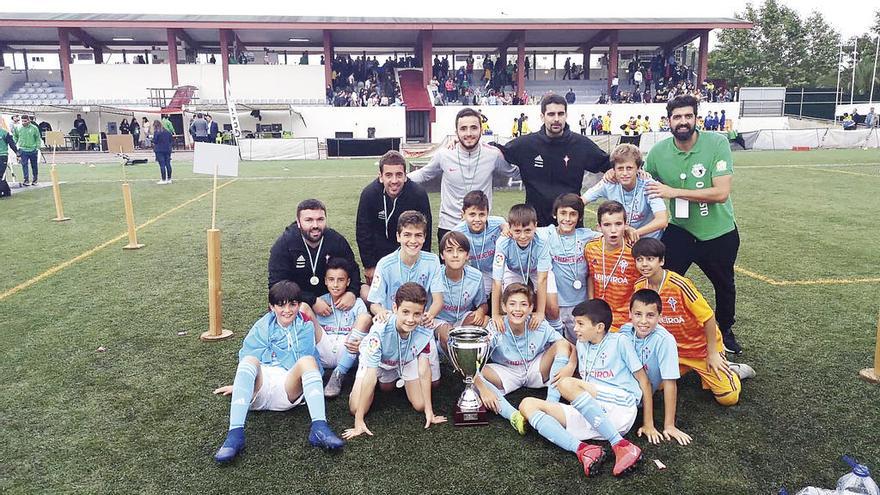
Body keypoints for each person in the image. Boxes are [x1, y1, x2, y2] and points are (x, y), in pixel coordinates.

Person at [644, 95, 744, 354]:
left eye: (688, 116)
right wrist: (616, 171)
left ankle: (725, 331)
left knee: (724, 284)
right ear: (669, 121)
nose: (683, 121)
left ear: (696, 118)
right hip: (681, 231)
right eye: (677, 117)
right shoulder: (658, 153)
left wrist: (674, 192)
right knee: (661, 279)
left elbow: (721, 192)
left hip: (718, 232)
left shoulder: (717, 143)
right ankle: (658, 329)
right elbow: (640, 177)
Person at [211, 280, 345, 463]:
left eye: (293, 304)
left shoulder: (305, 326)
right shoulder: (261, 326)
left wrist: (277, 352)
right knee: (249, 360)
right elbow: (249, 357)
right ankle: (234, 436)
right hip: (260, 387)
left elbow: (305, 361)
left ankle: (319, 428)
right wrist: (239, 385)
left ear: (299, 305)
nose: (287, 310)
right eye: (281, 305)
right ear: (271, 307)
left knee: (308, 361)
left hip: (287, 389)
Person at [515, 299, 648, 478]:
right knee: (527, 404)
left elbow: (643, 380)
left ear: (599, 327)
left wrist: (649, 423)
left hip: (622, 405)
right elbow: (572, 349)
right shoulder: (581, 343)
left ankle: (621, 445)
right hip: (595, 414)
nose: (575, 328)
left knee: (566, 383)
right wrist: (571, 363)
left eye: (580, 324)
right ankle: (584, 450)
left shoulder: (619, 341)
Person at [632, 238, 753, 405]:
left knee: (728, 398)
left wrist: (712, 353)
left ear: (662, 261)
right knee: (650, 386)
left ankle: (734, 371)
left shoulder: (679, 285)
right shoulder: (639, 286)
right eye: (639, 260)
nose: (644, 264)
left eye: (650, 259)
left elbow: (708, 317)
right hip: (673, 350)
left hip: (700, 349)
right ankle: (685, 368)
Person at [344, 283, 446, 439]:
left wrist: (429, 411)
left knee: (420, 405)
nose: (411, 319)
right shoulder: (380, 330)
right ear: (394, 308)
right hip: (378, 361)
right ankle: (366, 389)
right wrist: (359, 421)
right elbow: (371, 374)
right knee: (356, 407)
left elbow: (424, 370)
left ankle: (397, 382)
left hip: (406, 359)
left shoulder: (425, 327)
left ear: (424, 312)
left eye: (417, 314)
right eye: (405, 312)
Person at [492, 94, 611, 227]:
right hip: (536, 227)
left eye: (560, 114)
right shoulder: (526, 144)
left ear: (566, 115)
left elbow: (610, 163)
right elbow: (496, 151)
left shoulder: (581, 145)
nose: (556, 119)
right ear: (542, 116)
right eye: (551, 114)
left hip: (570, 224)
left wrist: (634, 169)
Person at [407, 108, 518, 245]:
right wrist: (399, 180)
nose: (469, 133)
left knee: (482, 267)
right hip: (449, 227)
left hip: (481, 227)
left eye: (473, 128)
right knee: (450, 267)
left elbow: (515, 172)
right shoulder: (445, 154)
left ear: (481, 130)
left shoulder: (493, 155)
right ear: (456, 132)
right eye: (463, 129)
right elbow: (424, 174)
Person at [474, 283, 575, 432]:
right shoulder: (495, 327)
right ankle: (514, 416)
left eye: (523, 304)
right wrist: (483, 390)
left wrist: (571, 365)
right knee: (476, 375)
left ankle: (551, 405)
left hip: (535, 368)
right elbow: (473, 362)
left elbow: (568, 346)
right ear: (503, 306)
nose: (517, 309)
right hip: (507, 372)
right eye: (512, 304)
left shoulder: (538, 324)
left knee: (561, 346)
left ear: (530, 307)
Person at [618, 289, 691, 445]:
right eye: (638, 314)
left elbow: (670, 382)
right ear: (630, 313)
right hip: (621, 388)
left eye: (650, 315)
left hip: (635, 398)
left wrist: (669, 425)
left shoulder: (665, 340)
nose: (643, 321)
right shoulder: (624, 331)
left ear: (660, 317)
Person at [268, 198, 366, 309]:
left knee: (366, 291)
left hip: (332, 292)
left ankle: (376, 322)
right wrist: (312, 300)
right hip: (300, 297)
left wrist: (352, 292)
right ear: (299, 222)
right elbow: (276, 285)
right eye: (309, 220)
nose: (315, 225)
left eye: (320, 219)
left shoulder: (336, 240)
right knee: (302, 307)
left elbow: (352, 269)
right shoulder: (284, 244)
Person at [356, 150, 433, 283]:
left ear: (405, 176)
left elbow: (426, 231)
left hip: (409, 252)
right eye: (388, 175)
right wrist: (369, 265)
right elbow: (363, 231)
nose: (394, 181)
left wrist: (422, 263)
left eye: (399, 175)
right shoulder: (369, 194)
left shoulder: (418, 195)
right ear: (380, 176)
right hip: (380, 256)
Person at [367, 210, 444, 331]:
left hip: (421, 321)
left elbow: (438, 300)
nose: (413, 241)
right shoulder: (385, 264)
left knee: (446, 332)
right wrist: (381, 312)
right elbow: (374, 303)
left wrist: (429, 315)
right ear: (398, 236)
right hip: (393, 321)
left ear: (424, 237)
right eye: (407, 235)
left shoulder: (432, 261)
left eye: (418, 235)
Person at [491, 203, 562, 334]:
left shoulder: (542, 241)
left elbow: (542, 279)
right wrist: (495, 314)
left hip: (537, 271)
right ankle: (513, 335)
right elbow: (496, 280)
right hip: (514, 270)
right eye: (517, 231)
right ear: (510, 228)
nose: (523, 236)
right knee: (507, 305)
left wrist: (540, 313)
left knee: (552, 308)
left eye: (528, 230)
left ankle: (558, 335)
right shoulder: (503, 242)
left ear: (535, 225)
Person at [541, 193, 601, 342]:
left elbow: (610, 233)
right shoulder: (545, 234)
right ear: (555, 214)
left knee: (582, 343)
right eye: (563, 213)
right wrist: (505, 227)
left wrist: (628, 230)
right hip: (557, 305)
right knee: (558, 346)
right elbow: (524, 228)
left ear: (579, 217)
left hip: (580, 303)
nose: (567, 219)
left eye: (573, 214)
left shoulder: (587, 236)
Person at [583, 144, 669, 239]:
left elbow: (662, 220)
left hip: (647, 240)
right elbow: (582, 201)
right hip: (621, 239)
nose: (624, 173)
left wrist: (634, 233)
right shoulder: (608, 182)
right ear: (613, 169)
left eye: (629, 168)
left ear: (638, 168)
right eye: (620, 168)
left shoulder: (649, 185)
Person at [317, 257, 373, 398]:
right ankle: (311, 372)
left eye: (340, 280)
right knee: (305, 311)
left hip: (349, 350)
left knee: (365, 317)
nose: (335, 285)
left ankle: (339, 373)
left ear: (348, 282)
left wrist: (362, 343)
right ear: (325, 281)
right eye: (331, 280)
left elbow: (366, 331)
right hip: (324, 350)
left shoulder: (357, 303)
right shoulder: (320, 302)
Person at [583, 201, 639, 331]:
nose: (613, 230)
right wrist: (592, 304)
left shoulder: (634, 253)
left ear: (626, 225)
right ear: (599, 227)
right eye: (607, 225)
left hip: (625, 321)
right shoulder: (591, 248)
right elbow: (590, 276)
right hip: (597, 317)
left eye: (618, 224)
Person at [433, 231, 489, 354]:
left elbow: (483, 304)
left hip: (462, 319)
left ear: (467, 255)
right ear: (442, 255)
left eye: (460, 250)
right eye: (449, 250)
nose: (455, 255)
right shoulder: (434, 275)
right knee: (447, 335)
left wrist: (480, 311)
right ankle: (455, 360)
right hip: (440, 321)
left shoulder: (476, 276)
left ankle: (466, 358)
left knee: (485, 321)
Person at [451, 190, 507, 297]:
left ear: (488, 214)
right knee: (473, 298)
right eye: (472, 214)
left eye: (482, 214)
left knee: (507, 298)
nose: (477, 219)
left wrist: (506, 227)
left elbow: (506, 226)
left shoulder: (498, 223)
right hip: (480, 272)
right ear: (463, 214)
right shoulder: (458, 233)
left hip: (501, 270)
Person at [15, 115, 41, 186]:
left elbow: (38, 138)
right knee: (24, 165)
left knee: (34, 166)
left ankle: (35, 180)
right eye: (22, 121)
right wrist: (14, 145)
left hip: (33, 150)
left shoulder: (34, 128)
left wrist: (37, 148)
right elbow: (15, 136)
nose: (24, 123)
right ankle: (26, 180)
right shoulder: (18, 128)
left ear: (29, 120)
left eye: (25, 121)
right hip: (23, 150)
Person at [151, 119, 173, 184]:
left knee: (162, 165)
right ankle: (169, 179)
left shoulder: (156, 132)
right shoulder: (167, 132)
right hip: (167, 149)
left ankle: (163, 179)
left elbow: (155, 141)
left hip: (159, 150)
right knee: (168, 164)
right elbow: (171, 140)